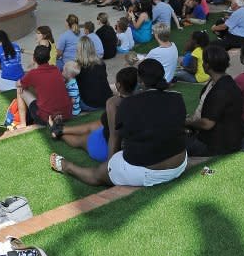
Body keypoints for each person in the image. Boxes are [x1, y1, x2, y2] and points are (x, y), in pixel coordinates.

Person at [74, 59, 188, 187]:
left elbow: (118, 137)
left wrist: (111, 166)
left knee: (98, 174)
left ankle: (67, 166)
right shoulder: (177, 97)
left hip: (150, 170)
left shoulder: (127, 104)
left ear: (140, 80)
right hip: (180, 163)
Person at [49, 67, 139, 180]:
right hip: (118, 141)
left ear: (119, 85)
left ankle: (59, 133)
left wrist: (111, 164)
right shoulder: (140, 100)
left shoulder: (114, 104)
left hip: (108, 148)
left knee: (81, 139)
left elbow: (114, 136)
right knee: (97, 124)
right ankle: (60, 129)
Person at [184, 43, 244, 156]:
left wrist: (188, 122)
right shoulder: (221, 81)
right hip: (223, 138)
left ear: (207, 65)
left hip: (216, 144)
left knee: (171, 144)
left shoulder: (221, 90)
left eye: (204, 61)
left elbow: (207, 124)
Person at [16, 44, 72, 126]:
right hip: (66, 114)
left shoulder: (33, 74)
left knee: (19, 89)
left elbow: (18, 83)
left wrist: (21, 83)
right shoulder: (56, 69)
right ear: (49, 58)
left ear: (34, 58)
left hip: (46, 118)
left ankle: (23, 124)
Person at [74, 36, 114, 111]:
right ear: (92, 48)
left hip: (90, 103)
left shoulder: (77, 67)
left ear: (79, 50)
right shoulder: (101, 63)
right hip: (106, 99)